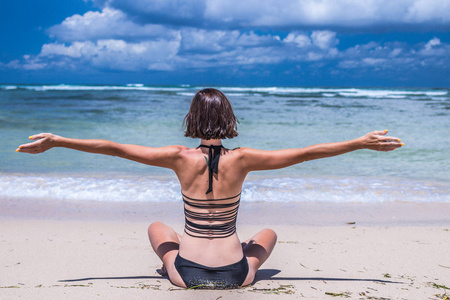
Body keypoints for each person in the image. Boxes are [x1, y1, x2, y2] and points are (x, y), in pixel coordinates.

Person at [16, 88, 403, 289]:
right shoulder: (244, 158)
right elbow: (303, 153)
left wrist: (59, 140)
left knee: (158, 228)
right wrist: (358, 142)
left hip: (185, 274)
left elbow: (115, 148)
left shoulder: (178, 157)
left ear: (192, 117)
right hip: (238, 275)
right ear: (229, 118)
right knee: (267, 234)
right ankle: (240, 258)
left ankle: (173, 263)